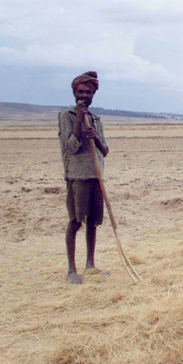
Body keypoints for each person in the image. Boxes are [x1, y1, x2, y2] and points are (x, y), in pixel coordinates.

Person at [58, 71, 110, 284]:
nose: (85, 95)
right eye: (81, 91)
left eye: (89, 92)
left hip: (96, 176)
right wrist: (79, 121)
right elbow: (71, 147)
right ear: (74, 93)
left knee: (93, 222)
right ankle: (72, 270)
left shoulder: (96, 119)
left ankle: (91, 264)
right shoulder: (67, 117)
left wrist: (95, 137)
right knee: (75, 222)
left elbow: (105, 150)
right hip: (78, 177)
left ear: (93, 95)